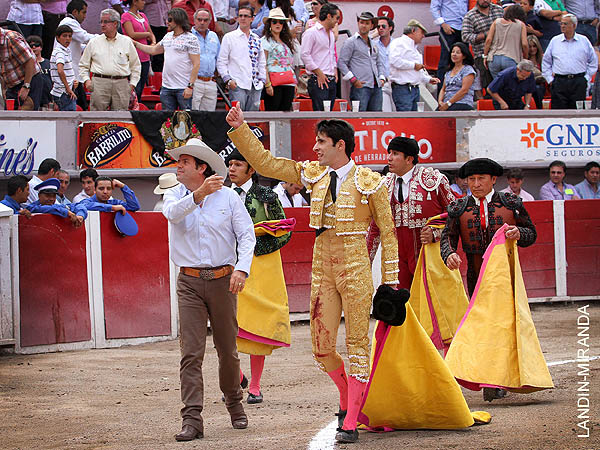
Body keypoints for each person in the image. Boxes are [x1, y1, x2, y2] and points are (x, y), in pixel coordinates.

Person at [226, 106, 399, 444]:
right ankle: (351, 395)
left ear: (341, 146)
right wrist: (241, 129)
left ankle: (350, 418)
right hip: (322, 265)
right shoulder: (314, 173)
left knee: (357, 344)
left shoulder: (371, 182)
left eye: (322, 142)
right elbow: (266, 164)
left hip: (355, 266)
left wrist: (391, 280)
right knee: (321, 348)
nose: (316, 148)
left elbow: (388, 231)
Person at [162, 137, 255, 441]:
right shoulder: (174, 194)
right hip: (188, 281)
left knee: (227, 350)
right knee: (191, 352)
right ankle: (192, 418)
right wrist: (198, 194)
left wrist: (241, 269)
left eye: (184, 162)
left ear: (201, 167)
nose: (178, 166)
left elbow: (246, 235)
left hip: (223, 280)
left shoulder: (228, 197)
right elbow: (172, 215)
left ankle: (234, 403)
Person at [225, 149, 292, 405]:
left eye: (238, 164)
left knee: (257, 324)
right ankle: (237, 377)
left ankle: (254, 385)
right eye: (230, 163)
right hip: (231, 264)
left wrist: (253, 248)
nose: (232, 168)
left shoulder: (266, 196)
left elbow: (284, 232)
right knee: (229, 324)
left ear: (251, 170)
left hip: (262, 267)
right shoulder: (224, 196)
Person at [367, 136, 456, 290]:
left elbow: (455, 213)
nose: (389, 158)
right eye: (389, 153)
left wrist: (436, 233)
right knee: (401, 303)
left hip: (428, 252)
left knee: (429, 302)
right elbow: (375, 226)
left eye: (395, 154)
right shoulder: (383, 185)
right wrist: (366, 262)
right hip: (395, 257)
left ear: (409, 159)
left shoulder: (434, 180)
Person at [133, 7, 200, 111]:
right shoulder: (167, 36)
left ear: (178, 20)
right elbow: (153, 50)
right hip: (166, 87)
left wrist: (190, 87)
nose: (166, 22)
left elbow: (196, 64)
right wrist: (136, 43)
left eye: (169, 20)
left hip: (183, 87)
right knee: (167, 121)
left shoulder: (191, 38)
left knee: (186, 121)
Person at [79, 8, 141, 111]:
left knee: (120, 120)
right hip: (99, 83)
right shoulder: (94, 42)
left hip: (121, 83)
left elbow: (136, 65)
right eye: (101, 22)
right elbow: (83, 65)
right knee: (97, 117)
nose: (102, 25)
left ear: (115, 23)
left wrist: (132, 84)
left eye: (106, 22)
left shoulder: (126, 41)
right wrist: (86, 80)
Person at [542, 13, 598, 109]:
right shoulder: (555, 41)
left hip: (578, 81)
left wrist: (586, 78)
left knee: (578, 112)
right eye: (561, 24)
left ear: (574, 26)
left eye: (565, 24)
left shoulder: (584, 41)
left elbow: (593, 61)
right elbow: (546, 62)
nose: (562, 26)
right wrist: (550, 80)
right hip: (559, 81)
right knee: (558, 112)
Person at [217, 5, 267, 111]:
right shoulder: (229, 37)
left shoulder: (256, 38)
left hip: (256, 84)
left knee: (253, 120)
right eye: (240, 16)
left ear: (252, 19)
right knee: (238, 117)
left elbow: (261, 62)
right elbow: (221, 61)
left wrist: (262, 80)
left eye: (246, 16)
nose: (243, 18)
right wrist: (228, 80)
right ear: (237, 18)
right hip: (238, 83)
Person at [338, 12, 385, 112]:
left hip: (376, 86)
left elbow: (379, 62)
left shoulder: (373, 43)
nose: (363, 25)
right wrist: (354, 80)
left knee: (376, 119)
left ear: (372, 26)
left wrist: (381, 78)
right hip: (361, 86)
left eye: (367, 23)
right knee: (359, 117)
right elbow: (341, 63)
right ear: (358, 23)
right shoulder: (351, 42)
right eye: (361, 22)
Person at [389, 19, 440, 111]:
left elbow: (417, 72)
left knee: (414, 119)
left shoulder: (415, 50)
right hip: (403, 88)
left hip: (415, 88)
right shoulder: (398, 43)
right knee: (406, 119)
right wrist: (413, 65)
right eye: (421, 33)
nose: (423, 36)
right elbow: (394, 60)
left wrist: (428, 79)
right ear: (413, 31)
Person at [300, 3, 340, 111]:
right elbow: (304, 54)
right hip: (317, 78)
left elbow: (331, 54)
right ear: (329, 16)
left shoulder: (331, 34)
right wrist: (319, 72)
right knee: (320, 113)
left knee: (329, 114)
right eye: (337, 18)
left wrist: (335, 69)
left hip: (330, 77)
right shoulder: (311, 33)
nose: (337, 21)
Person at [59, 0, 97, 111]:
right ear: (75, 12)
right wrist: (104, 38)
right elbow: (85, 38)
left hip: (74, 74)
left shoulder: (70, 23)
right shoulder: (68, 23)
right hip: (69, 76)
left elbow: (80, 46)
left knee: (81, 106)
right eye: (84, 12)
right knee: (72, 110)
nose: (85, 16)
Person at [462, 0, 504, 95]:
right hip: (482, 55)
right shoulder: (470, 15)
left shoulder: (499, 10)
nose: (485, 0)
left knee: (504, 85)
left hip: (502, 52)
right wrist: (486, 35)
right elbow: (465, 37)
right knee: (490, 87)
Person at [262, 7, 298, 112]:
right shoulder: (265, 41)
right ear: (269, 24)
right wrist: (267, 84)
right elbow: (263, 64)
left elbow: (289, 63)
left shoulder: (287, 41)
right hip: (273, 82)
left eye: (281, 22)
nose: (278, 24)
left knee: (286, 113)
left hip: (288, 81)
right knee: (273, 112)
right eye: (274, 22)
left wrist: (294, 81)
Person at [0, 26, 44, 110]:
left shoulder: (11, 38)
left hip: (29, 80)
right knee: (9, 117)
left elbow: (29, 61)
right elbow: (3, 68)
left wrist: (26, 86)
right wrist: (4, 88)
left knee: (27, 116)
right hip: (12, 85)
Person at [121, 0, 155, 101]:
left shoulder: (143, 15)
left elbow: (151, 33)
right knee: (135, 87)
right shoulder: (125, 16)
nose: (144, 2)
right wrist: (147, 34)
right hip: (133, 55)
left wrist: (153, 42)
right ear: (134, 2)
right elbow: (131, 34)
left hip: (145, 55)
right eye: (142, 0)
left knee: (141, 87)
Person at [483, 4, 529, 79]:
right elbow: (524, 44)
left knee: (498, 85)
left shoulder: (496, 22)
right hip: (512, 58)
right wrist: (525, 58)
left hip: (494, 58)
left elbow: (488, 40)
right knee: (510, 85)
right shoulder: (521, 25)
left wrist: (485, 56)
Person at [430, 0, 467, 88]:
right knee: (445, 61)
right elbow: (434, 8)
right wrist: (443, 24)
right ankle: (441, 92)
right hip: (449, 28)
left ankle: (462, 89)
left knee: (464, 60)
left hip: (464, 28)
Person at [191, 8, 220, 111]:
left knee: (210, 117)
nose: (202, 22)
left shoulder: (214, 36)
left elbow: (218, 58)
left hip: (211, 81)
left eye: (205, 20)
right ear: (194, 20)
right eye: (199, 19)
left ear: (209, 21)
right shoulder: (189, 36)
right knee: (194, 115)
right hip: (195, 81)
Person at [437, 42, 477, 111]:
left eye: (458, 53)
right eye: (453, 52)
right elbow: (443, 89)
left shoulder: (468, 70)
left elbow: (464, 90)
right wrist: (440, 102)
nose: (454, 54)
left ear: (464, 56)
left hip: (462, 103)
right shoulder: (448, 71)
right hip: (447, 104)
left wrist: (449, 103)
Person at [50, 24, 79, 111]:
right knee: (69, 120)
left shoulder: (65, 50)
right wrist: (68, 89)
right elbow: (60, 70)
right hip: (63, 92)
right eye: (64, 36)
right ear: (58, 38)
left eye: (70, 36)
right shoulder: (60, 52)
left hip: (65, 90)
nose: (67, 39)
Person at [26, 35, 53, 110]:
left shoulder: (49, 63)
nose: (34, 47)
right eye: (31, 46)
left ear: (41, 47)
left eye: (36, 45)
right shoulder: (26, 66)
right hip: (31, 101)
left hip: (47, 101)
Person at [375, 16, 395, 112]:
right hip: (383, 84)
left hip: (396, 83)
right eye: (378, 27)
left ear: (390, 28)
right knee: (386, 113)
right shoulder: (373, 44)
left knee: (399, 116)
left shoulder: (397, 44)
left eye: (383, 26)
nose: (380, 29)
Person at [144, 0, 170, 72]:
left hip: (165, 21)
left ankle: (159, 74)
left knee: (162, 51)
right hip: (151, 21)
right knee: (152, 50)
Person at [526, 34, 546, 108]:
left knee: (538, 88)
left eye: (534, 46)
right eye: (529, 46)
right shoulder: (524, 60)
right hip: (528, 85)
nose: (532, 49)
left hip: (541, 85)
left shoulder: (543, 58)